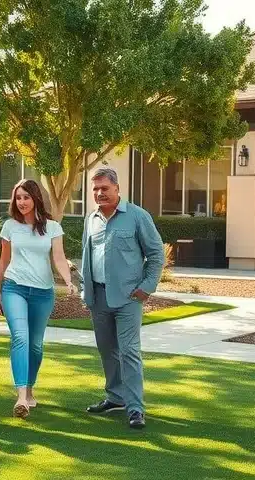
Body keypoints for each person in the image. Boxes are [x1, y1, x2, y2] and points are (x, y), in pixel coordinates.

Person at [80, 166, 164, 429]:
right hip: (99, 296)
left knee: (129, 351)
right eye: (95, 189)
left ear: (117, 188)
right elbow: (87, 256)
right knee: (107, 351)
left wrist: (147, 287)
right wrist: (86, 289)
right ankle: (115, 397)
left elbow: (156, 254)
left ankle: (135, 408)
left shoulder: (137, 216)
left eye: (104, 188)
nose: (99, 193)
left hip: (129, 297)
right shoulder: (90, 219)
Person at [0, 179, 75, 419]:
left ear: (36, 198)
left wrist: (68, 280)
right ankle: (21, 397)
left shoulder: (51, 227)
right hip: (14, 287)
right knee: (20, 337)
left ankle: (29, 389)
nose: (21, 202)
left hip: (43, 292)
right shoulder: (9, 226)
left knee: (36, 345)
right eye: (18, 198)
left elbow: (59, 257)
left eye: (26, 197)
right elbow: (4, 261)